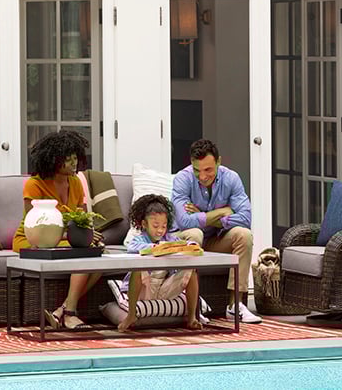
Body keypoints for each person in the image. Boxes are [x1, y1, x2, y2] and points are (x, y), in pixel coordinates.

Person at [12, 130, 101, 329]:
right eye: (68, 160)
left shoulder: (76, 182)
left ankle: (62, 310)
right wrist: (71, 235)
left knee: (98, 256)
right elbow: (32, 223)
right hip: (34, 239)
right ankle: (69, 314)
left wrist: (87, 234)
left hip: (65, 239)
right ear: (53, 160)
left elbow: (82, 218)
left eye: (75, 158)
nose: (74, 164)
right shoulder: (35, 184)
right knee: (82, 256)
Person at [172, 138, 262, 324]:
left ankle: (235, 306)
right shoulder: (183, 179)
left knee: (243, 235)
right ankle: (193, 306)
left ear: (218, 162)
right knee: (195, 233)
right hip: (183, 240)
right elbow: (185, 221)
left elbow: (245, 218)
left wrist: (205, 216)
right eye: (197, 170)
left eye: (208, 170)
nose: (202, 176)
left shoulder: (231, 179)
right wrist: (222, 212)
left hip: (213, 239)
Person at [119, 194, 202, 332]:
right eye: (155, 225)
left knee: (191, 269)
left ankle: (192, 317)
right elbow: (132, 248)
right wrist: (152, 248)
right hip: (145, 290)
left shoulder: (169, 238)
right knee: (138, 268)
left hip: (165, 288)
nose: (160, 230)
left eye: (163, 226)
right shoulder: (139, 240)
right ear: (144, 224)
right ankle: (131, 315)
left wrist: (191, 245)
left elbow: (183, 243)